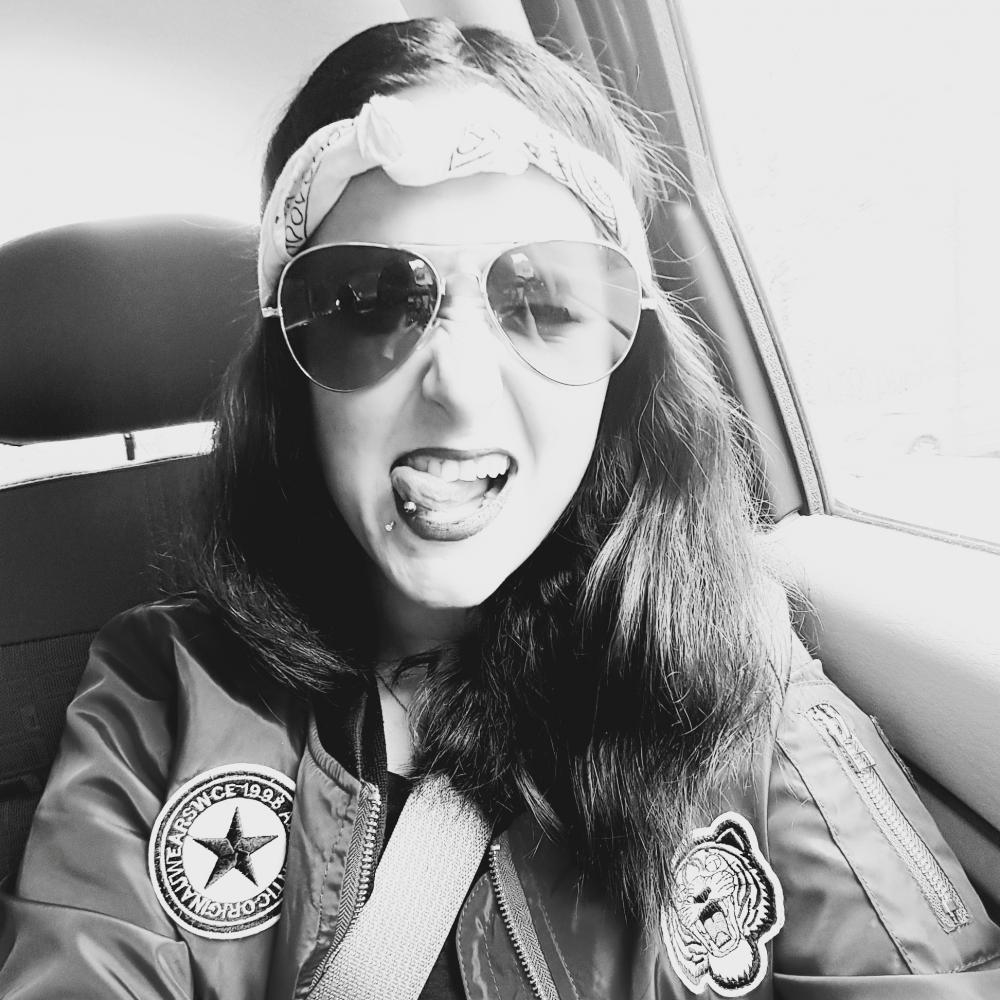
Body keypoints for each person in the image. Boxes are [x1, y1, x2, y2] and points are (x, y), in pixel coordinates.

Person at [1, 17, 998, 1000]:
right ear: (288, 370)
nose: (460, 388)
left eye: (546, 303)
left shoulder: (740, 674)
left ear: (623, 367)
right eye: (368, 302)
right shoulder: (160, 692)